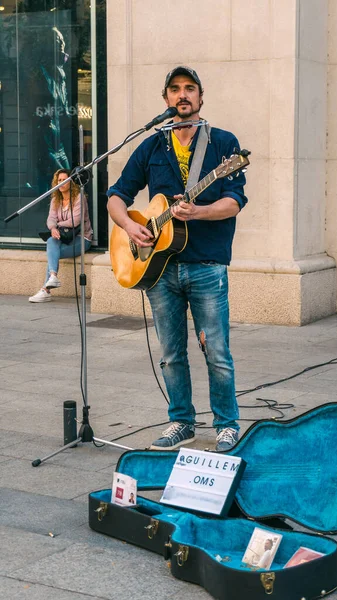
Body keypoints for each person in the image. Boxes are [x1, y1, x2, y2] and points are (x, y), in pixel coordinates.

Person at [106, 65, 248, 452]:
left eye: (190, 89)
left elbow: (234, 202)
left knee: (216, 351)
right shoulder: (152, 145)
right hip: (159, 269)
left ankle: (227, 424)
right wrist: (131, 228)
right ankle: (181, 421)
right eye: (175, 89)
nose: (182, 95)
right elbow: (116, 195)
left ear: (201, 98)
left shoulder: (223, 143)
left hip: (206, 265)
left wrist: (199, 212)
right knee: (171, 353)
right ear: (166, 99)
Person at [29, 169, 93, 302]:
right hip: (64, 237)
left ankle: (45, 290)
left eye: (65, 180)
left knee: (52, 254)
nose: (61, 183)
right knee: (51, 241)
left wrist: (57, 225)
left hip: (82, 239)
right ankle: (53, 277)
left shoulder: (79, 198)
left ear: (71, 182)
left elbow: (75, 220)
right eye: (59, 180)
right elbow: (50, 219)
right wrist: (53, 228)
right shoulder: (55, 200)